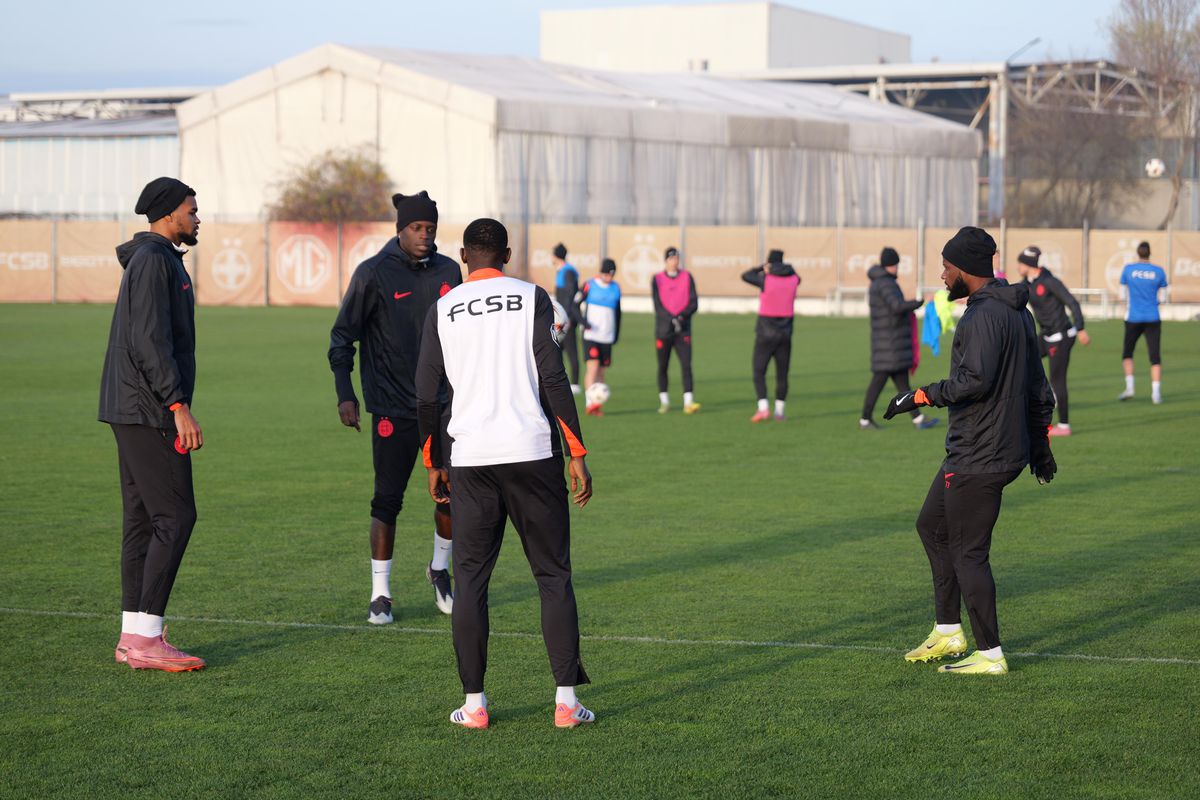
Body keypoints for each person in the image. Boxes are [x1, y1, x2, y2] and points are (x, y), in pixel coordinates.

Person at [416, 217, 595, 730]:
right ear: (508, 254)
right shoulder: (531, 297)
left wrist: (433, 460)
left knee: (470, 582)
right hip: (533, 452)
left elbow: (427, 395)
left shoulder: (443, 308)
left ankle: (474, 707)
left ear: (464, 255)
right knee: (553, 576)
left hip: (471, 459)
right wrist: (576, 450)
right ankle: (565, 704)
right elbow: (553, 375)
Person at [884, 226, 1056, 675]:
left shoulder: (983, 317)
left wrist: (918, 396)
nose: (942, 275)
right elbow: (1040, 387)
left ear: (965, 269)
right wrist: (1040, 446)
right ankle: (947, 631)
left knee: (968, 553)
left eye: (946, 266)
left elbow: (971, 382)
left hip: (981, 453)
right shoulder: (1016, 311)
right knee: (932, 528)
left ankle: (990, 653)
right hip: (983, 448)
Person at [328, 191, 462, 624]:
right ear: (400, 229)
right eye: (417, 229)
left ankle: (440, 570)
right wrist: (345, 392)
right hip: (392, 407)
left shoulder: (449, 271)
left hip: (445, 406)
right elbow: (341, 338)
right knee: (387, 501)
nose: (425, 236)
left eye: (431, 229)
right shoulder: (373, 274)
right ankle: (380, 594)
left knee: (451, 496)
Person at [99, 177, 206, 671]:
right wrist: (177, 404)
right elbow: (148, 342)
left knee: (144, 520)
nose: (197, 217)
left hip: (135, 407)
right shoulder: (152, 261)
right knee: (176, 516)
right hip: (149, 409)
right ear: (168, 214)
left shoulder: (162, 260)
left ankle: (134, 637)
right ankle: (147, 638)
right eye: (191, 209)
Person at [859, 247, 939, 431]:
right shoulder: (886, 283)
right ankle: (865, 419)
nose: (897, 268)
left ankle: (917, 419)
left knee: (902, 384)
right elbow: (897, 306)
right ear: (890, 265)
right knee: (880, 383)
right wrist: (919, 302)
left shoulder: (879, 282)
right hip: (890, 342)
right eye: (895, 264)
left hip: (889, 342)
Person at [1015, 245, 1090, 436]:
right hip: (1046, 335)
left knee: (1057, 380)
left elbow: (1072, 302)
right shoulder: (1026, 283)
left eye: (1020, 263)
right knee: (1022, 360)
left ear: (1029, 264)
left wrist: (1080, 328)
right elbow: (1011, 297)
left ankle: (1064, 425)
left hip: (1062, 336)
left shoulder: (1049, 281)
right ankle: (1037, 404)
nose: (1017, 266)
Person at [741, 249, 800, 422]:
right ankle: (780, 412)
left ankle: (763, 408)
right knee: (782, 374)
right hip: (785, 335)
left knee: (759, 371)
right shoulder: (793, 279)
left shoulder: (765, 279)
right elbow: (797, 277)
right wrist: (788, 268)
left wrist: (762, 268)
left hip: (765, 334)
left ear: (770, 263)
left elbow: (745, 275)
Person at [1117, 241, 1168, 404]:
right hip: (1153, 317)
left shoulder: (1129, 270)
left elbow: (1122, 294)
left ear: (1138, 253)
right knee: (1154, 356)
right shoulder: (1158, 271)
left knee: (1127, 354)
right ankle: (1156, 393)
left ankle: (1130, 387)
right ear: (1149, 253)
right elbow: (1164, 297)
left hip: (1133, 317)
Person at [651, 246, 700, 414]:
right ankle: (664, 401)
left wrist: (681, 317)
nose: (674, 261)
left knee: (686, 365)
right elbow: (658, 305)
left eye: (677, 258)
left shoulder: (687, 277)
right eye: (671, 258)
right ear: (666, 260)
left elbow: (694, 302)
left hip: (683, 329)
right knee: (663, 366)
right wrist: (671, 319)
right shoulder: (657, 279)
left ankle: (689, 401)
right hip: (664, 330)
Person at [577, 258, 622, 416]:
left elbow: (618, 313)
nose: (609, 278)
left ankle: (597, 405)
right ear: (602, 272)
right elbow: (573, 305)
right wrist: (584, 322)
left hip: (607, 336)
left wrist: (616, 334)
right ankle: (590, 403)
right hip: (591, 335)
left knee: (601, 372)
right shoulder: (590, 285)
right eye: (607, 274)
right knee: (593, 367)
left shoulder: (616, 288)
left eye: (612, 275)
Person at [551, 243, 583, 395]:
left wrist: (567, 316)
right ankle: (558, 381)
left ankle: (575, 385)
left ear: (556, 256)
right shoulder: (562, 270)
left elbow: (571, 295)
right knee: (556, 350)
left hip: (566, 318)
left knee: (571, 350)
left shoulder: (567, 271)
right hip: (562, 318)